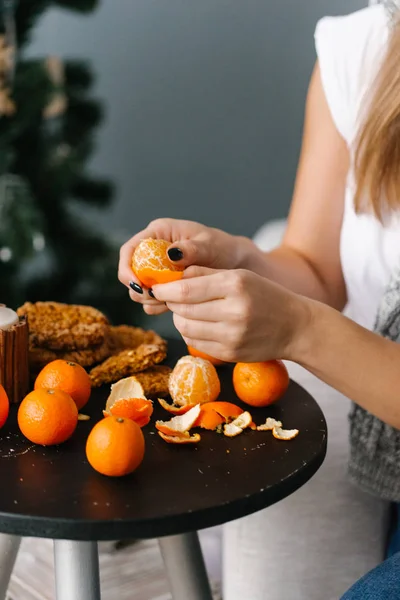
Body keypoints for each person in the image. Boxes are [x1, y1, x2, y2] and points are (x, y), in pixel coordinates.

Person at [118, 2, 400, 598]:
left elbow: (312, 314)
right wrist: (240, 258)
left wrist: (302, 330)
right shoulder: (361, 52)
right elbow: (321, 270)